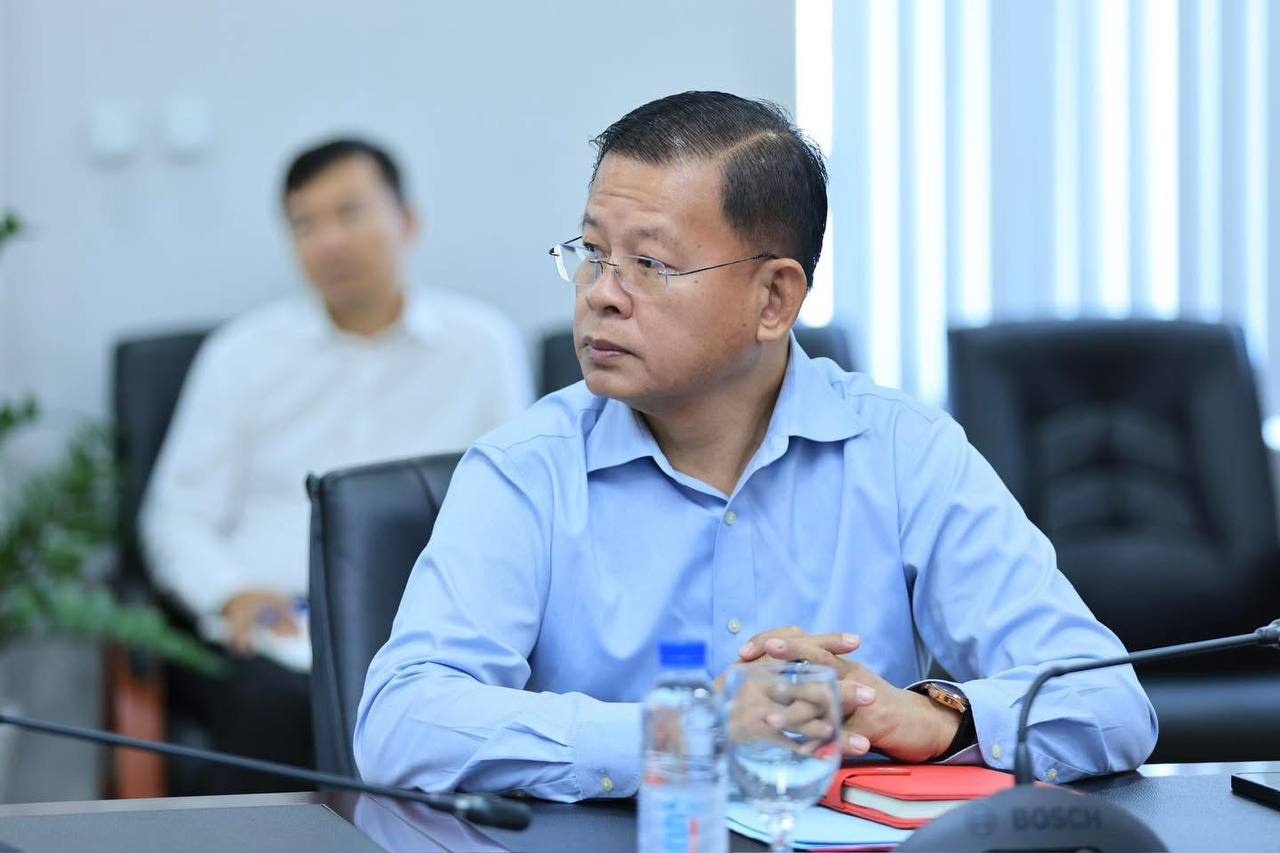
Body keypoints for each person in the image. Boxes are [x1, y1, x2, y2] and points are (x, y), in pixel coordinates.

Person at [355, 92, 1157, 802]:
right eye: (592, 252)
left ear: (775, 297)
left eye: (648, 263)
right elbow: (400, 722)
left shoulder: (902, 451)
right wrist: (687, 730)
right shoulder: (526, 468)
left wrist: (937, 717)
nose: (600, 293)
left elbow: (1110, 704)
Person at [141, 137, 532, 791]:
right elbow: (175, 517)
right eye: (305, 224)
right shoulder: (241, 355)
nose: (328, 242)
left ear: (408, 221)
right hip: (271, 633)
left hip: (429, 631)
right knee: (281, 708)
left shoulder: (481, 345)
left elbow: (517, 506)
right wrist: (229, 591)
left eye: (349, 213)